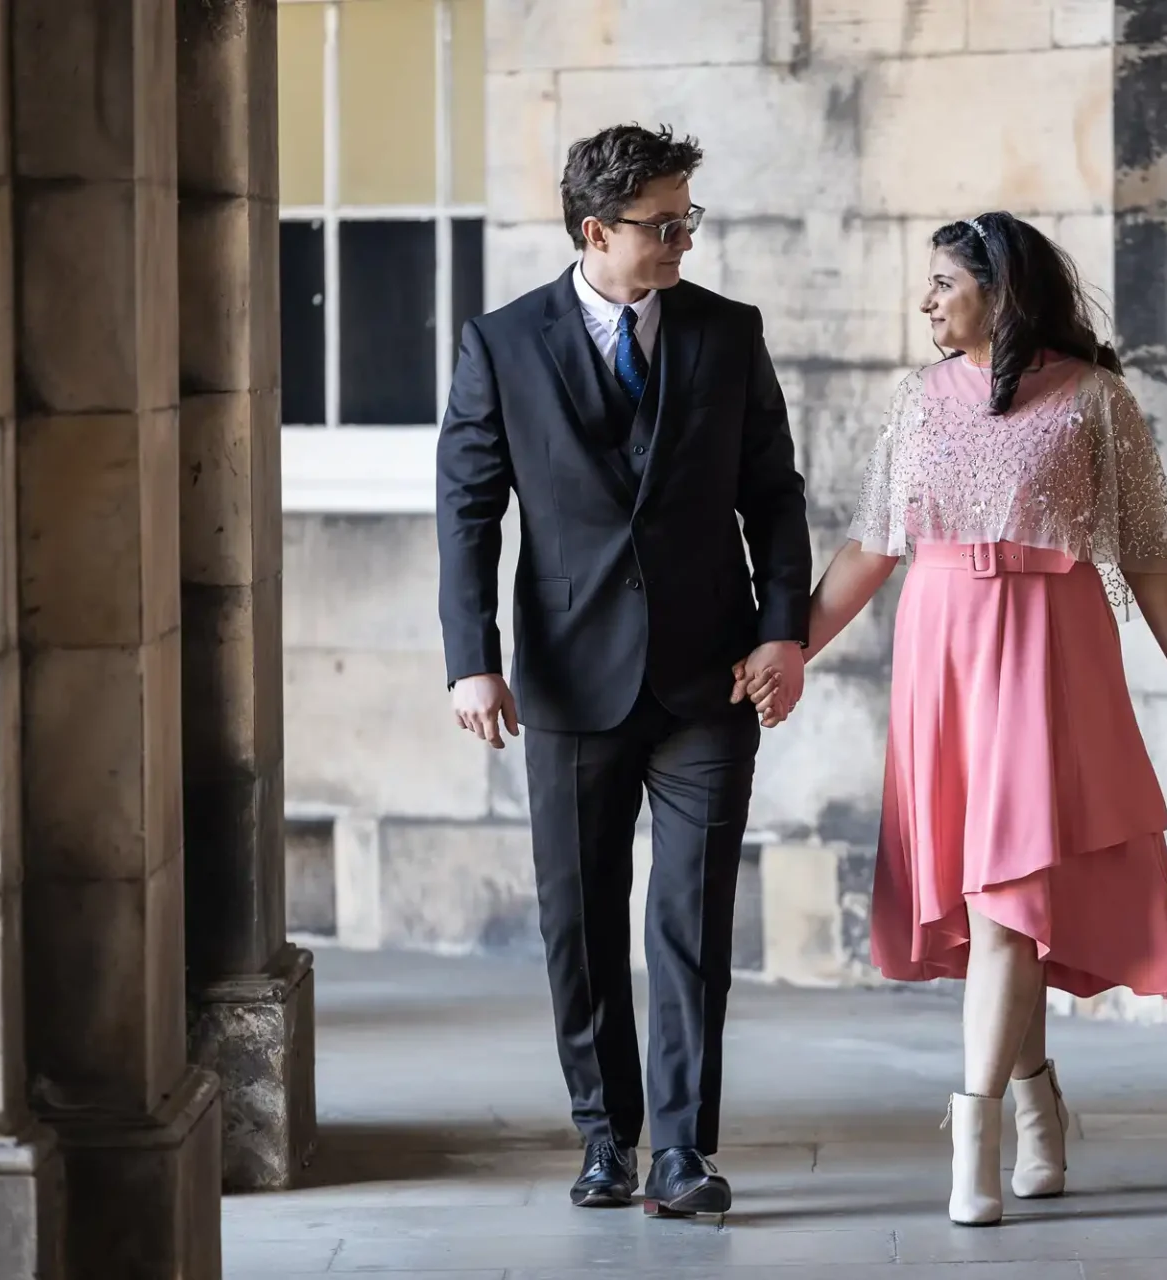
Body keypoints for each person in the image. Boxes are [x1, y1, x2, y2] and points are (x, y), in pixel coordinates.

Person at [739, 212, 1167, 1226]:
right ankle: (1040, 1104)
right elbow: (870, 550)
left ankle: (976, 1135)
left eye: (943, 282)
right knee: (1008, 898)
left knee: (1009, 895)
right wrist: (782, 651)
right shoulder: (918, 401)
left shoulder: (1097, 400)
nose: (926, 301)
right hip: (945, 660)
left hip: (1053, 657)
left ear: (999, 292)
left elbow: (1143, 553)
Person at [437, 123, 809, 1219]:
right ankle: (607, 1136)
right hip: (565, 677)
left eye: (690, 217)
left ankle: (683, 1152)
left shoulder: (727, 333)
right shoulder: (501, 344)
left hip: (711, 676)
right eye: (666, 223)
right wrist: (475, 661)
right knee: (582, 920)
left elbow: (773, 493)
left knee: (692, 925)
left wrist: (782, 627)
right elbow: (467, 510)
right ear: (597, 232)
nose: (685, 238)